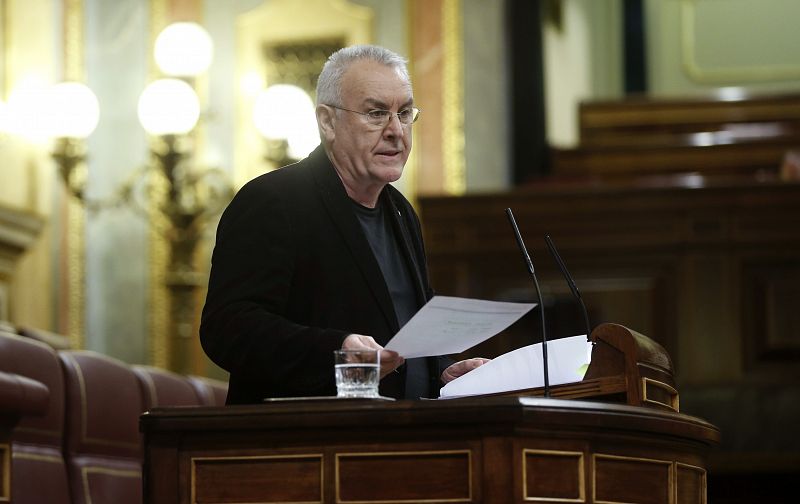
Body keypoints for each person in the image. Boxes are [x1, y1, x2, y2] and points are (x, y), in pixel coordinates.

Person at [200, 45, 487, 404]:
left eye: (405, 113)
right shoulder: (273, 201)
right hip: (301, 443)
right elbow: (228, 328)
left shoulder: (402, 212)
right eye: (376, 113)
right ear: (327, 121)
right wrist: (337, 351)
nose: (396, 130)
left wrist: (440, 372)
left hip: (402, 437)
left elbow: (402, 332)